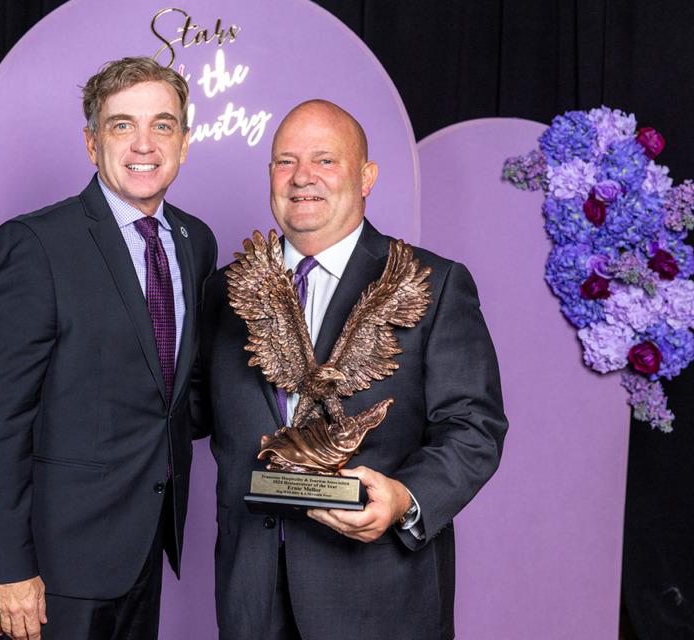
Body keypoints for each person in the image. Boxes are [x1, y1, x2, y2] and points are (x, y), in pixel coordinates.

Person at [196, 99, 508, 639]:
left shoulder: (434, 284)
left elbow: (474, 429)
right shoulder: (224, 291)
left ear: (366, 177)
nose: (301, 178)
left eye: (325, 160)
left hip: (378, 597)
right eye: (285, 161)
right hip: (250, 595)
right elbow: (185, 411)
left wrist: (404, 497)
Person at [0, 56, 217, 640]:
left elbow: (177, 394)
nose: (144, 144)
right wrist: (8, 569)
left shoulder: (194, 241)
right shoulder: (36, 245)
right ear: (92, 141)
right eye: (122, 125)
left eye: (163, 125)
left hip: (147, 542)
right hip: (54, 566)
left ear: (185, 140)